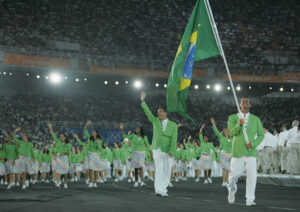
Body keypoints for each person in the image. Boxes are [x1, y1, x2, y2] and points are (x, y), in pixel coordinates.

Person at [227, 97, 264, 206]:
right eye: (243, 102)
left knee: (252, 176)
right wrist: (239, 124)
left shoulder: (256, 119)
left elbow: (261, 135)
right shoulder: (233, 117)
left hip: (250, 151)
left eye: (247, 102)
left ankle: (250, 199)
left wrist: (253, 144)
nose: (245, 103)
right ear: (240, 105)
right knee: (234, 175)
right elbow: (231, 133)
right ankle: (231, 191)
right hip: (237, 151)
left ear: (250, 105)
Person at [140, 91, 178, 197]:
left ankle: (164, 188)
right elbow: (148, 113)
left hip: (168, 150)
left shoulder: (173, 125)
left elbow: (174, 139)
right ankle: (158, 190)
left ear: (165, 112)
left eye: (160, 111)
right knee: (159, 169)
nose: (158, 113)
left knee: (167, 170)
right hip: (157, 149)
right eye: (158, 112)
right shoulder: (155, 121)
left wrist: (171, 151)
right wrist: (143, 102)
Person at [74, 120, 103, 188]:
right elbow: (85, 130)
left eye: (94, 132)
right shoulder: (90, 138)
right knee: (90, 169)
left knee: (96, 170)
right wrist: (87, 124)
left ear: (96, 133)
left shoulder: (99, 140)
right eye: (92, 132)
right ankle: (91, 182)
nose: (92, 133)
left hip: (96, 155)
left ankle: (95, 183)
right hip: (90, 155)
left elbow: (99, 148)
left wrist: (97, 142)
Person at [120, 123, 150, 187]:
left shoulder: (144, 137)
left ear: (140, 130)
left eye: (138, 129)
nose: (136, 129)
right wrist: (122, 129)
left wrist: (151, 152)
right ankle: (136, 181)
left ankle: (142, 182)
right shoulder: (133, 135)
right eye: (136, 129)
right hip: (135, 153)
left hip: (142, 153)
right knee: (136, 168)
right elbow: (124, 136)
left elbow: (147, 145)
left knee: (141, 167)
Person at [47, 123, 71, 189]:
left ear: (65, 137)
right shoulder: (58, 141)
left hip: (65, 158)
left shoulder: (68, 144)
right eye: (60, 136)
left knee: (65, 172)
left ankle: (65, 183)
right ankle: (58, 183)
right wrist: (50, 128)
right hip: (58, 158)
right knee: (58, 171)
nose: (60, 137)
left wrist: (64, 153)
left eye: (62, 136)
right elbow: (53, 134)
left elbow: (69, 152)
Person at [211, 118, 232, 186]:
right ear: (223, 132)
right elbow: (216, 132)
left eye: (227, 131)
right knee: (224, 169)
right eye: (225, 132)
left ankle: (227, 181)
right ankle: (224, 181)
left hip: (230, 155)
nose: (226, 133)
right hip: (223, 154)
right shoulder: (222, 138)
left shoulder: (233, 139)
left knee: (228, 169)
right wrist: (214, 124)